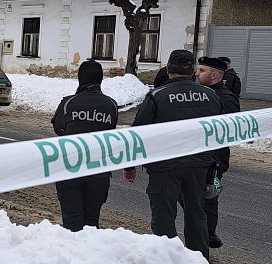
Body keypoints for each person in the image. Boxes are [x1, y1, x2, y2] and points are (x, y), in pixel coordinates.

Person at [123, 49, 221, 261]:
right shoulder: (211, 96)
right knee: (196, 213)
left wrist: (130, 166)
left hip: (165, 167)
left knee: (164, 216)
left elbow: (138, 134)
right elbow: (218, 132)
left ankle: (167, 258)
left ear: (168, 70)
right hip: (199, 166)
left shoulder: (157, 96)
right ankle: (199, 258)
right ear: (193, 70)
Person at [51, 60, 118, 232]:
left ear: (80, 78)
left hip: (70, 169)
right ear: (100, 79)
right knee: (91, 223)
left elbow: (59, 128)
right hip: (99, 172)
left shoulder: (68, 103)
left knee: (72, 223)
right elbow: (111, 129)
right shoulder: (111, 105)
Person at [195, 56, 240, 249]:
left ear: (214, 75)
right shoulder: (200, 93)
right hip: (198, 156)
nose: (197, 73)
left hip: (214, 160)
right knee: (195, 199)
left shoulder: (226, 98)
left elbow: (227, 131)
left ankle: (207, 235)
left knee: (209, 198)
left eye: (202, 70)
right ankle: (203, 233)